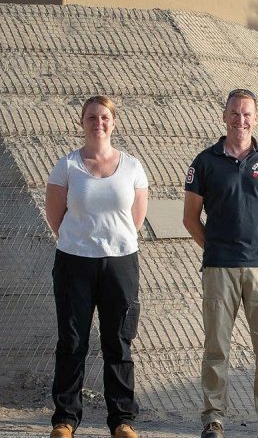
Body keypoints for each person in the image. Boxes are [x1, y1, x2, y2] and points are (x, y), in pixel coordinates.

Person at [183, 89, 258, 438]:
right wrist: (215, 249)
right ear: (224, 116)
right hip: (220, 269)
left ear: (256, 118)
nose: (241, 120)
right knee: (217, 347)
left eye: (247, 114)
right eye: (235, 113)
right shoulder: (204, 162)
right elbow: (190, 218)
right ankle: (213, 420)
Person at [45, 96, 148, 438]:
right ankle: (65, 420)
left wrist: (112, 242)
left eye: (104, 117)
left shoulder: (132, 167)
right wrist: (81, 242)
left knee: (118, 341)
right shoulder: (67, 165)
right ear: (82, 122)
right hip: (75, 262)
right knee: (72, 341)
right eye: (91, 117)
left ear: (113, 122)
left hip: (120, 263)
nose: (98, 122)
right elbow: (55, 216)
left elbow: (136, 219)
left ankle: (122, 420)